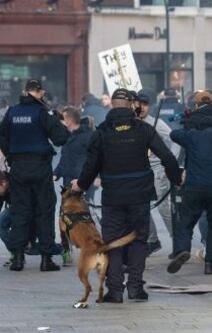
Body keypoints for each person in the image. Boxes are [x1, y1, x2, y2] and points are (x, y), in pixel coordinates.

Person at [71, 88, 182, 303]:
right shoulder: (143, 129)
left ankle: (115, 291)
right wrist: (176, 178)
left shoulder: (102, 132)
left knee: (113, 241)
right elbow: (168, 156)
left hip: (112, 197)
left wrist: (81, 186)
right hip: (139, 195)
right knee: (139, 240)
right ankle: (135, 288)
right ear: (132, 105)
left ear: (112, 105)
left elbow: (90, 166)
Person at [0, 79, 69, 272]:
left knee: (20, 211)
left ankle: (18, 258)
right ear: (39, 93)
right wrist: (58, 121)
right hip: (40, 168)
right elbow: (61, 138)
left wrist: (12, 156)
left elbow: (3, 138)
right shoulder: (42, 112)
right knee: (44, 211)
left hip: (18, 168)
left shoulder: (12, 112)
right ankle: (46, 259)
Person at [167, 90, 212, 275]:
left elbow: (174, 135)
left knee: (185, 222)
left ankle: (182, 250)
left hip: (194, 186)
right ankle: (209, 264)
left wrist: (188, 122)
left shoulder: (192, 136)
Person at [136, 92, 179, 256]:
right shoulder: (132, 123)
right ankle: (152, 240)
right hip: (140, 171)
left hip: (158, 170)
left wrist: (169, 160)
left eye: (145, 104)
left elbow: (175, 139)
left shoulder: (156, 123)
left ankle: (178, 242)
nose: (142, 107)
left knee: (163, 207)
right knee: (141, 207)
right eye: (139, 104)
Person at [53, 106, 94, 264]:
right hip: (67, 184)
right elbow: (64, 159)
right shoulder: (67, 138)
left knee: (85, 218)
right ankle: (65, 249)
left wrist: (93, 178)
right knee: (63, 217)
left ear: (69, 120)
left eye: (63, 119)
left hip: (84, 183)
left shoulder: (88, 136)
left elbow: (94, 160)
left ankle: (90, 247)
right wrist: (56, 172)